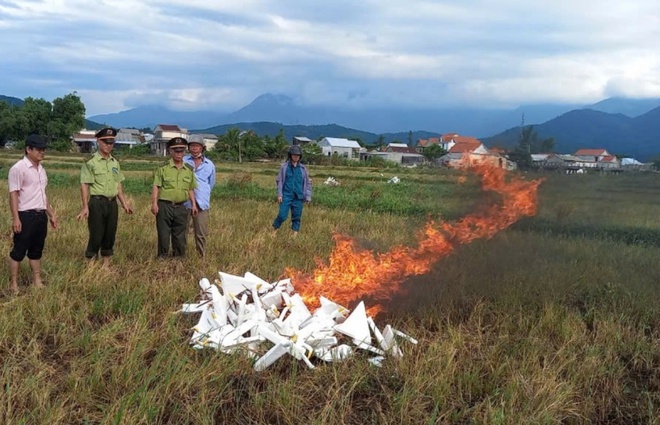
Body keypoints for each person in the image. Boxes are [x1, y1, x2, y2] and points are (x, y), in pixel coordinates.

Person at [8, 134, 59, 293]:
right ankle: (13, 283)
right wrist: (16, 218)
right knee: (19, 250)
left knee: (37, 249)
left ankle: (37, 280)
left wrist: (51, 214)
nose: (42, 153)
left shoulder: (41, 170)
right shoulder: (18, 168)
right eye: (38, 149)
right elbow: (13, 194)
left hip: (40, 214)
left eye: (44, 150)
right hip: (25, 215)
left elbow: (43, 194)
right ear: (28, 149)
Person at [76, 127, 133, 268]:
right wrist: (85, 206)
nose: (108, 145)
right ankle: (90, 261)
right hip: (97, 202)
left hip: (112, 203)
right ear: (98, 142)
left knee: (110, 234)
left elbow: (118, 185)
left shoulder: (115, 162)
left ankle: (106, 264)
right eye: (105, 142)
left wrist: (124, 203)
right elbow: (85, 184)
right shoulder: (91, 162)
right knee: (96, 233)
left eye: (111, 142)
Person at [151, 137, 198, 257]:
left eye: (181, 151)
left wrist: (193, 204)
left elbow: (191, 188)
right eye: (176, 151)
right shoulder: (163, 168)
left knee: (180, 235)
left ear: (184, 152)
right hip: (165, 205)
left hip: (181, 206)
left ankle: (178, 259)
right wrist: (154, 203)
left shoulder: (188, 170)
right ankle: (163, 258)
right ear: (170, 151)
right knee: (163, 234)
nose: (178, 154)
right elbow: (156, 186)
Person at [184, 134, 216, 257]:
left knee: (201, 232)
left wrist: (202, 194)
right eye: (192, 146)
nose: (194, 148)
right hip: (185, 202)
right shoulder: (183, 161)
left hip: (202, 203)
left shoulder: (209, 164)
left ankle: (201, 256)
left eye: (197, 146)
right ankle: (182, 254)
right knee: (182, 231)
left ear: (202, 148)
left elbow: (211, 183)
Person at [272, 144, 312, 235]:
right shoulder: (284, 167)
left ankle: (294, 235)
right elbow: (280, 181)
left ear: (300, 157)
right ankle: (274, 231)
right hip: (286, 195)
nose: (296, 157)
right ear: (290, 155)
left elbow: (307, 183)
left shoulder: (303, 169)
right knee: (282, 215)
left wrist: (308, 196)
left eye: (298, 155)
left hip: (298, 196)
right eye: (294, 155)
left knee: (297, 217)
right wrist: (279, 194)